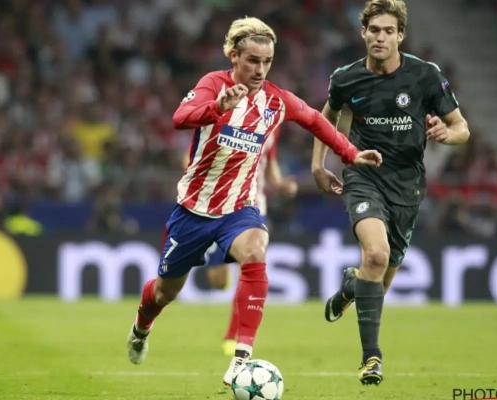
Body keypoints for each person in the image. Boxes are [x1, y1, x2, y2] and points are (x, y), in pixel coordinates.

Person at [126, 16, 382, 386]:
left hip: (240, 208)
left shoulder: (275, 100)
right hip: (193, 209)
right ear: (234, 56)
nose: (260, 70)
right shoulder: (213, 84)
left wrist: (350, 153)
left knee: (256, 250)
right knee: (166, 292)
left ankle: (241, 358)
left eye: (267, 62)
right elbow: (180, 118)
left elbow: (315, 119)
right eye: (252, 61)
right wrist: (217, 107)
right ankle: (141, 328)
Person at [310, 0, 470, 386]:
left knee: (378, 281)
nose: (380, 37)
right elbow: (326, 116)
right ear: (363, 33)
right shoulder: (346, 78)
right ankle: (372, 358)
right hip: (363, 176)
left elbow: (462, 128)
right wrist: (319, 165)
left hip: (408, 186)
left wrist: (447, 135)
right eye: (374, 30)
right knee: (377, 254)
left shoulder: (425, 75)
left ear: (401, 36)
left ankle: (352, 286)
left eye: (388, 31)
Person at [185, 131, 297, 357]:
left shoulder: (272, 125)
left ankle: (232, 335)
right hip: (220, 206)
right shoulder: (224, 120)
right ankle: (227, 270)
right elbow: (190, 157)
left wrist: (280, 184)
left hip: (254, 208)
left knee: (248, 268)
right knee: (217, 280)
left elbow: (270, 163)